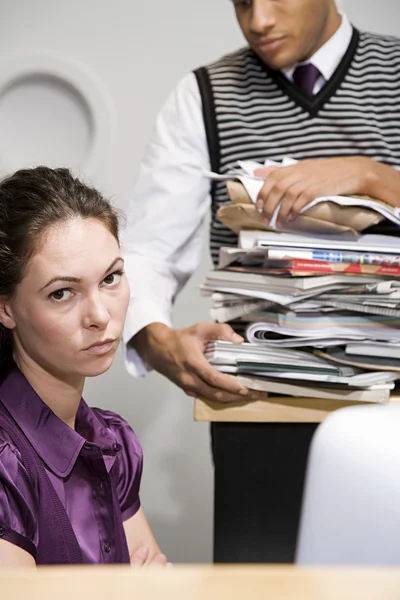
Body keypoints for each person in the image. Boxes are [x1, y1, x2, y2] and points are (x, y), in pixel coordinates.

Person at [122, 0, 400, 563]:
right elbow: (146, 249)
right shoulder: (203, 94)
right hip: (256, 409)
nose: (260, 20)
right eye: (242, 1)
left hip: (392, 415)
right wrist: (156, 340)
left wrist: (375, 177)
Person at [0, 167, 170, 567]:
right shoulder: (5, 462)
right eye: (62, 293)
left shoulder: (114, 442)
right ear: (5, 307)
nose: (99, 315)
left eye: (111, 278)